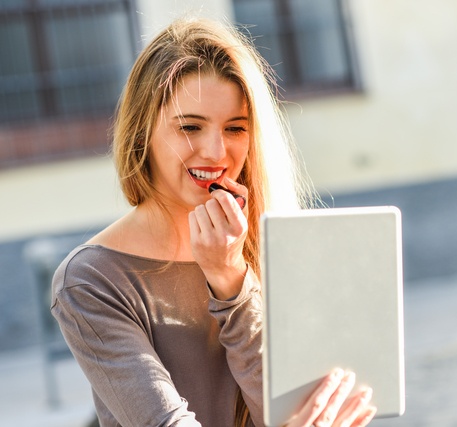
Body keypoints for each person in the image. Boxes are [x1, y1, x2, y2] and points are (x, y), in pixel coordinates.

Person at [51, 16, 377, 427]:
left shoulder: (275, 243)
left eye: (236, 128)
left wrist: (231, 279)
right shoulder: (90, 281)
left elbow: (289, 411)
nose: (216, 151)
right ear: (141, 134)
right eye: (190, 127)